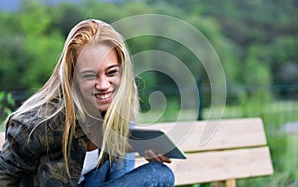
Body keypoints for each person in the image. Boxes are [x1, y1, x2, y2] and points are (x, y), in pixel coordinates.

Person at [0, 19, 174, 186]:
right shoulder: (39, 124)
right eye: (90, 75)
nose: (104, 85)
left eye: (111, 72)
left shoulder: (117, 102)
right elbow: (5, 176)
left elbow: (106, 143)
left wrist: (142, 146)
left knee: (155, 168)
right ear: (73, 78)